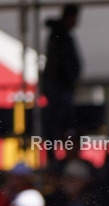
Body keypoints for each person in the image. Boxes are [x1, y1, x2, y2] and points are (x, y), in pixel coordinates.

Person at [40, 4, 81, 140]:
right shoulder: (61, 36)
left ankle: (56, 148)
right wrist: (69, 78)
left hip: (59, 87)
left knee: (58, 123)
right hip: (60, 87)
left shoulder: (59, 35)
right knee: (61, 123)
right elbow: (62, 62)